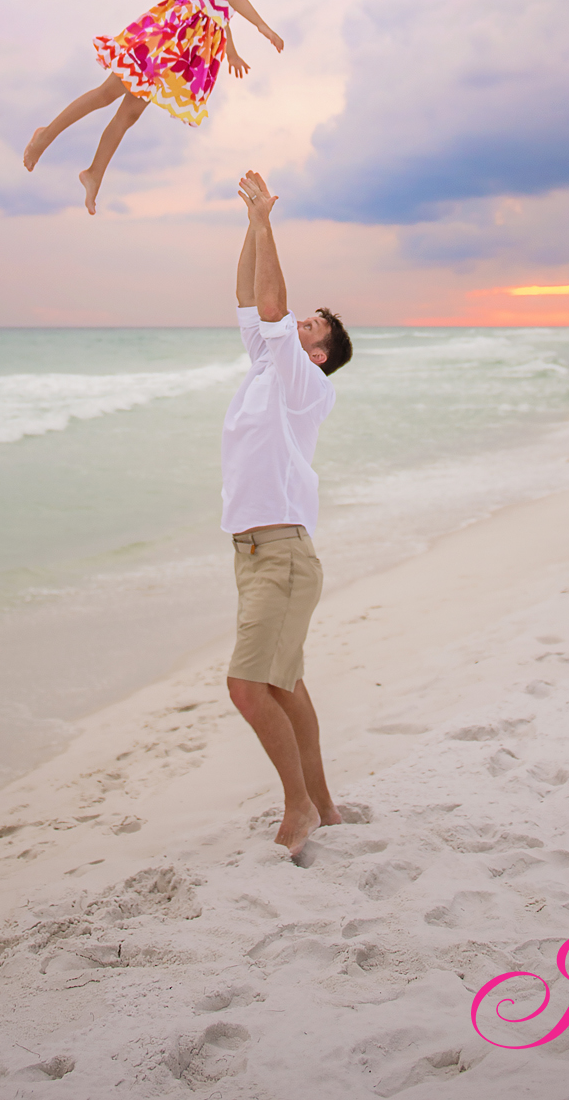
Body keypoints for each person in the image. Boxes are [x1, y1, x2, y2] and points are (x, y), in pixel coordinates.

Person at [224, 168, 353, 856]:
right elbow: (250, 301)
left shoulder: (304, 384)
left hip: (280, 552)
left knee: (248, 687)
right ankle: (325, 806)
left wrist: (269, 224)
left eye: (313, 324)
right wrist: (251, 224)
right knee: (283, 683)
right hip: (252, 550)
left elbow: (272, 308)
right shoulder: (266, 369)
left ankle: (298, 806)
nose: (301, 320)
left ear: (320, 353)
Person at [23, 0, 302, 214]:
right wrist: (262, 26)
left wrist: (232, 53)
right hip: (157, 44)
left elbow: (222, 20)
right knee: (106, 94)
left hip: (168, 59)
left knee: (128, 115)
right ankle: (45, 135)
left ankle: (94, 172)